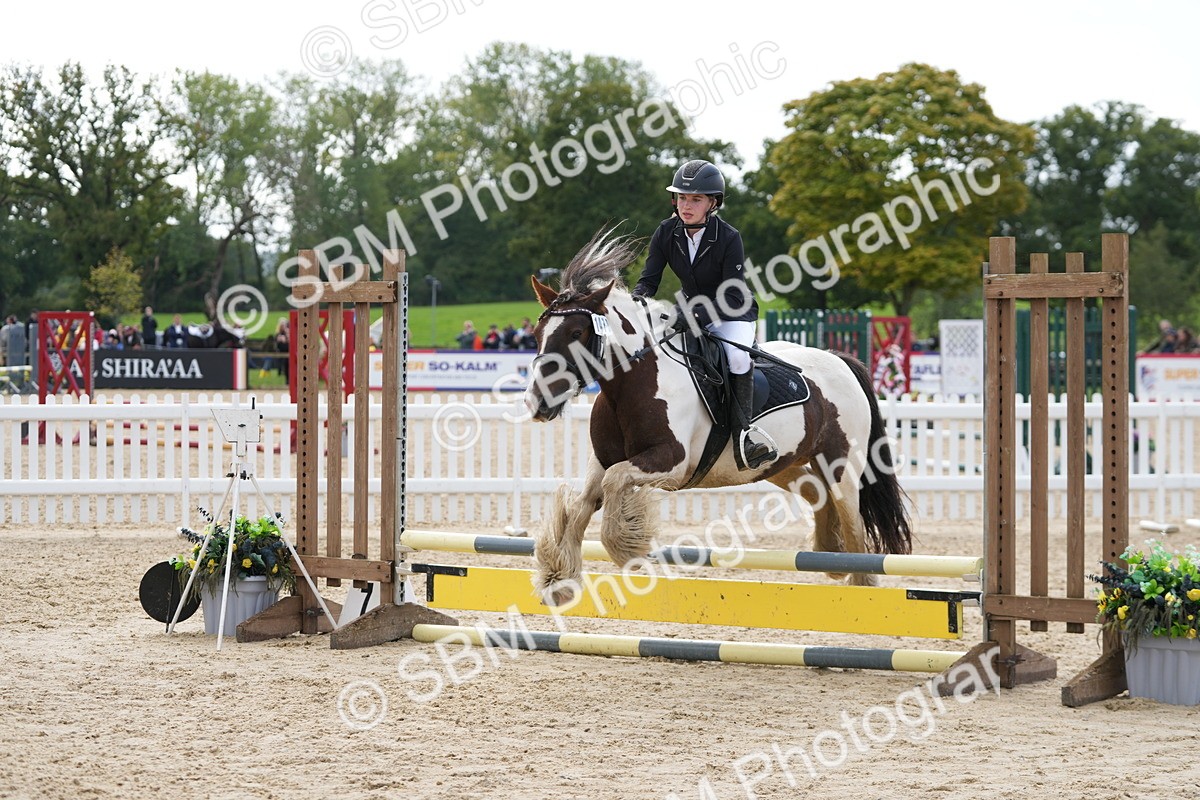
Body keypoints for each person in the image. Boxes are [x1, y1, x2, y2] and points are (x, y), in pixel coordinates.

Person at [631, 158, 776, 470]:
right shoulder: (666, 232)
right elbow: (648, 280)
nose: (687, 205)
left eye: (696, 199)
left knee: (737, 358)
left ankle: (744, 435)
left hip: (732, 312)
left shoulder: (728, 237)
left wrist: (695, 315)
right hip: (690, 310)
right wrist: (634, 302)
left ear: (713, 203)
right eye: (682, 197)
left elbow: (733, 293)